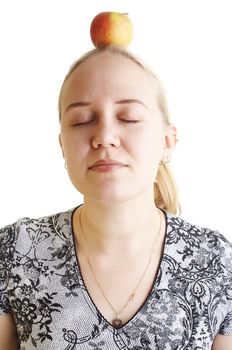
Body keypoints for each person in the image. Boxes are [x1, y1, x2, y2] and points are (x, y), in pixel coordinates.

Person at [0, 46, 231, 350]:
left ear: (167, 141)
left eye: (129, 117)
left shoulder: (216, 262)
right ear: (62, 146)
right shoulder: (15, 252)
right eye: (82, 120)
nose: (104, 136)